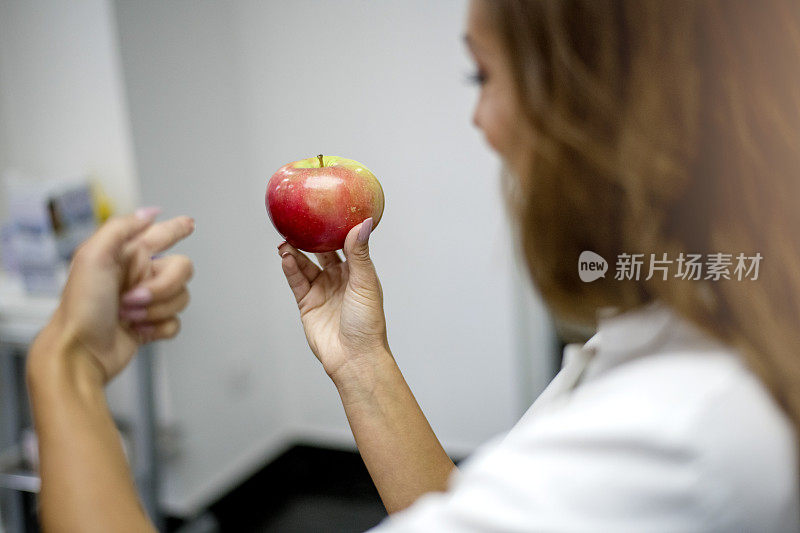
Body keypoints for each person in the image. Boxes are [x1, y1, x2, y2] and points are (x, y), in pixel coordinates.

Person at [26, 0, 800, 531]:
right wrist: (359, 356)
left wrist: (66, 365)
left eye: (484, 76)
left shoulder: (678, 434)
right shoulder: (699, 336)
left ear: (610, 105)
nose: (481, 121)